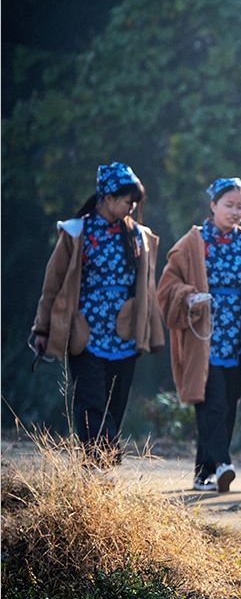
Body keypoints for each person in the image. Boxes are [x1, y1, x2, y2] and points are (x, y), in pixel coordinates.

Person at [29, 162, 163, 463]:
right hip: (84, 333)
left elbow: (147, 288)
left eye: (134, 200)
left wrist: (150, 330)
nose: (131, 205)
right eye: (126, 198)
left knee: (115, 404)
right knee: (90, 402)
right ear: (106, 196)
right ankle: (96, 463)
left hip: (124, 335)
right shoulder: (76, 232)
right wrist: (42, 328)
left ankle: (103, 460)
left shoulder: (137, 235)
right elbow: (53, 284)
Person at [157, 177, 241, 492]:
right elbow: (167, 285)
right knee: (211, 401)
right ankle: (222, 463)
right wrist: (189, 296)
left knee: (228, 404)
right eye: (228, 205)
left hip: (238, 336)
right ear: (213, 206)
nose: (234, 211)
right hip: (203, 336)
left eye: (240, 205)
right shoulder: (191, 243)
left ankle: (203, 473)